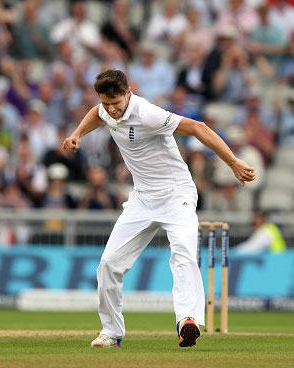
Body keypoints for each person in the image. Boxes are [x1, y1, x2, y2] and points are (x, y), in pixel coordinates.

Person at [62, 69, 256, 348]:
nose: (112, 110)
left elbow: (198, 127)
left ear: (128, 94)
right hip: (142, 198)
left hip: (176, 194)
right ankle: (112, 332)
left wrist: (234, 162)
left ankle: (187, 320)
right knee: (108, 264)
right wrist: (77, 133)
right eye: (107, 103)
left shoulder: (147, 114)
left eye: (116, 103)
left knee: (183, 253)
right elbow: (95, 113)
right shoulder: (105, 109)